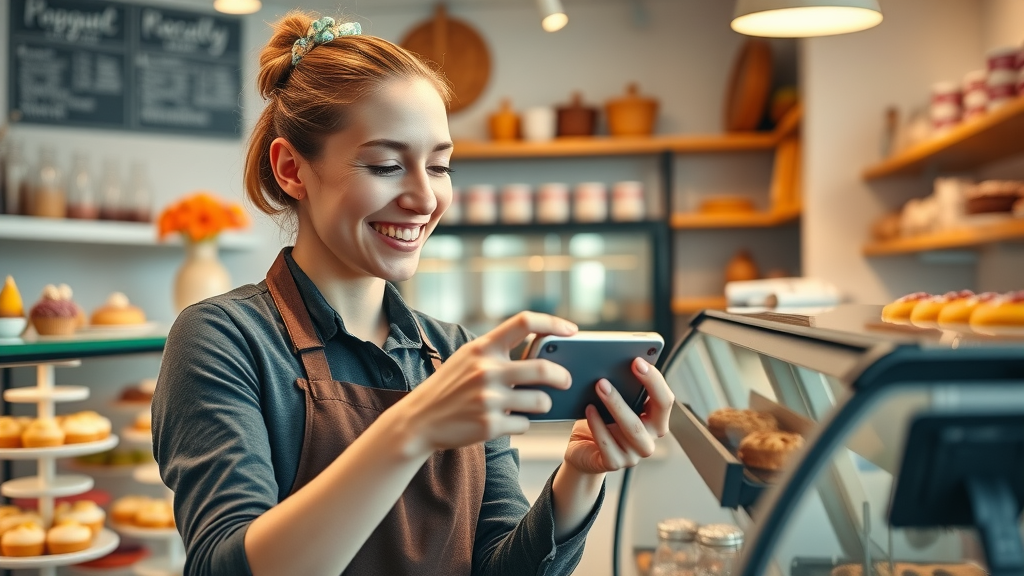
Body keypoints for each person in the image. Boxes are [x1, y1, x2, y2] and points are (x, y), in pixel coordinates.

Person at [152, 11, 675, 576]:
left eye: (440, 166)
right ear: (292, 169)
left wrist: (580, 474)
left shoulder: (455, 352)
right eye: (386, 165)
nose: (425, 198)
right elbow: (224, 567)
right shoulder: (223, 339)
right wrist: (413, 427)